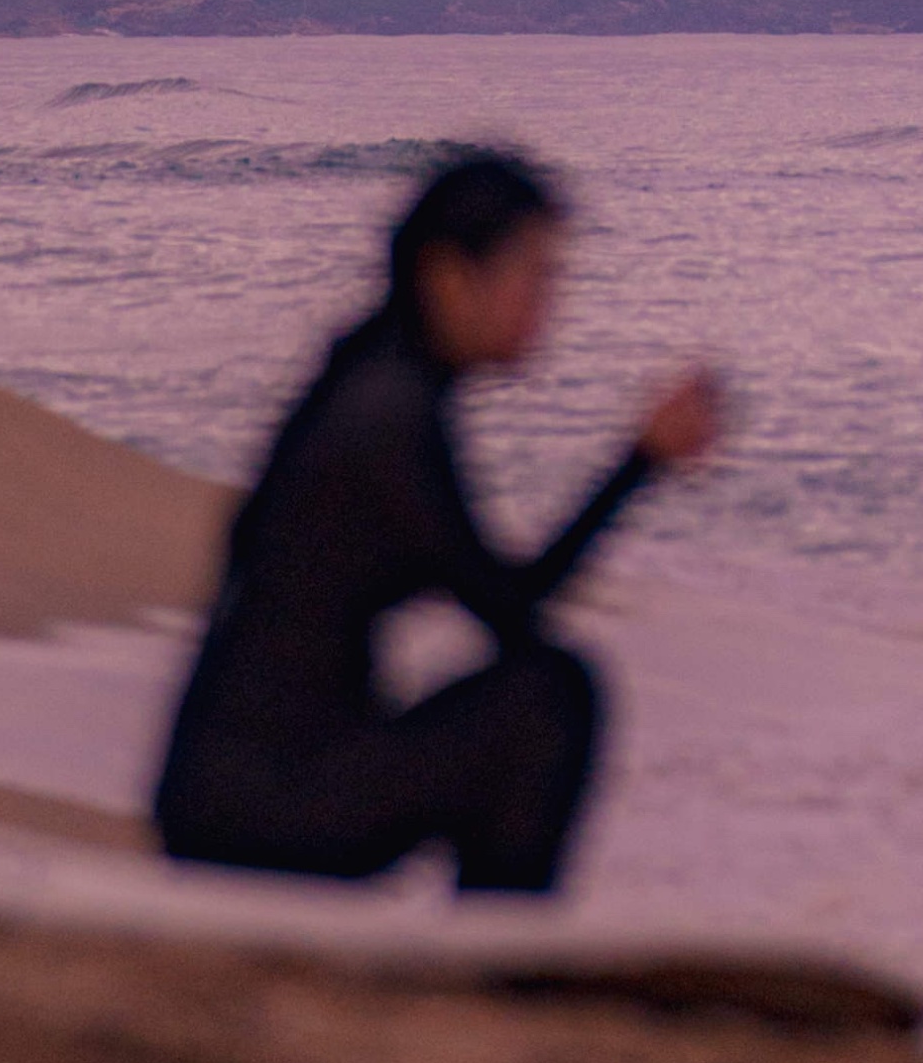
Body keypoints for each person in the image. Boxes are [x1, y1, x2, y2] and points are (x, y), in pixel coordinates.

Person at [152, 149, 722, 894]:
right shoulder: (387, 416)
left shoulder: (377, 381)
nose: (548, 305)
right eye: (535, 276)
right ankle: (498, 962)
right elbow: (511, 614)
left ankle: (492, 950)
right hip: (260, 806)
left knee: (543, 687)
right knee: (550, 695)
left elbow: (499, 596)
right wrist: (637, 464)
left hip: (236, 794)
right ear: (450, 278)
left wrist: (639, 461)